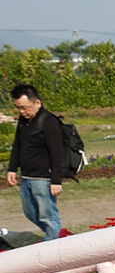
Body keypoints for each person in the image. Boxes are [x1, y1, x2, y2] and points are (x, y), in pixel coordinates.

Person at [6, 84, 65, 241]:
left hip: (43, 179)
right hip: (26, 177)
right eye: (18, 108)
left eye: (24, 108)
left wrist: (56, 180)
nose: (22, 112)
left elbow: (57, 152)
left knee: (49, 216)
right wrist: (12, 168)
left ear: (37, 103)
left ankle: (53, 249)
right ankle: (55, 236)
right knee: (30, 212)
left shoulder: (49, 122)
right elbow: (17, 144)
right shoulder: (23, 121)